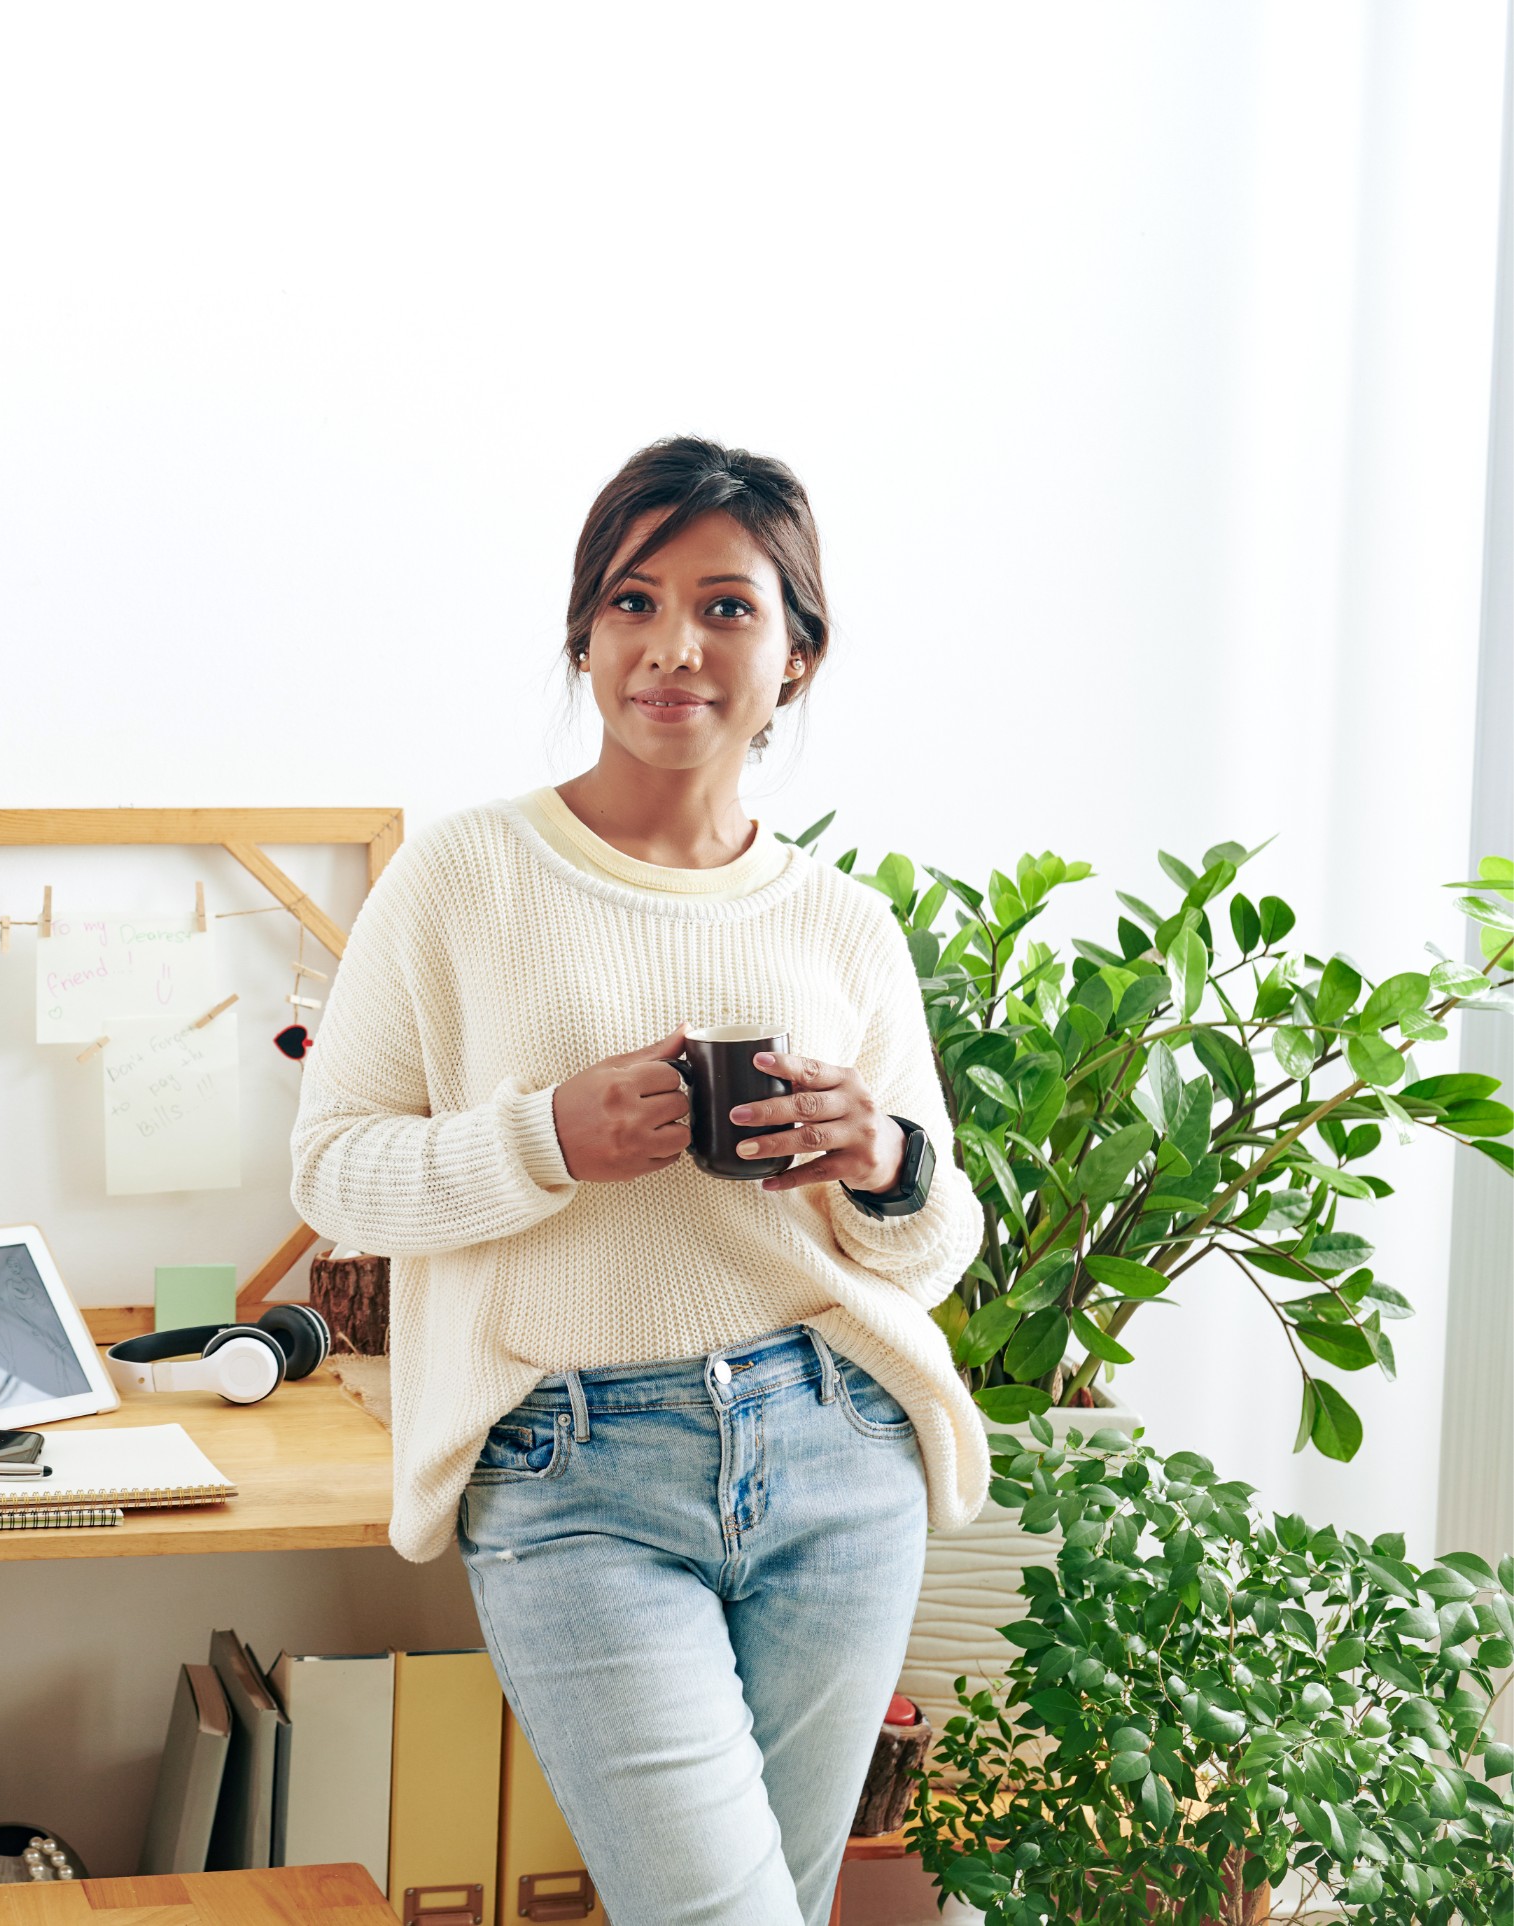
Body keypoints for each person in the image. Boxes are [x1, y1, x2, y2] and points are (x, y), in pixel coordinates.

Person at [289, 436, 986, 1926]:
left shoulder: (842, 922)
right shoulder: (461, 875)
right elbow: (334, 1176)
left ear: (795, 655)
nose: (673, 646)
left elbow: (929, 1246)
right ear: (583, 634)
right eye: (632, 600)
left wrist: (876, 1154)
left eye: (727, 607)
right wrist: (544, 1137)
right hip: (573, 1467)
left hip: (835, 1445)